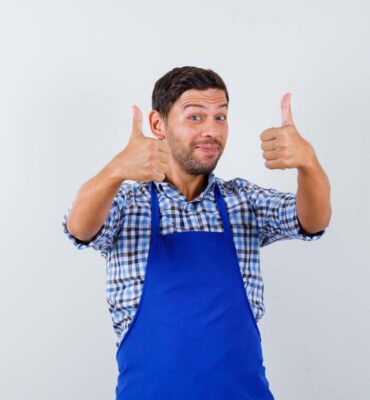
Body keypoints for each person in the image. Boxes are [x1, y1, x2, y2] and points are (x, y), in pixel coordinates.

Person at [62, 66, 331, 399]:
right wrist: (117, 170)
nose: (211, 131)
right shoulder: (127, 205)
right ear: (158, 124)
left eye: (220, 117)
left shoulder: (243, 201)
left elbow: (312, 220)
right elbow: (79, 227)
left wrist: (309, 165)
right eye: (195, 117)